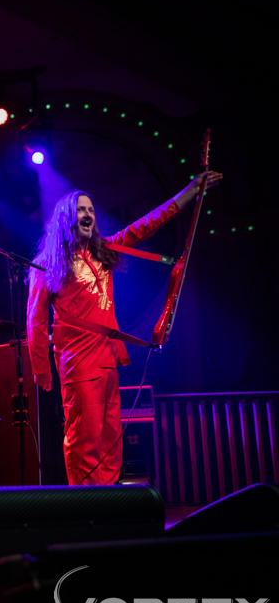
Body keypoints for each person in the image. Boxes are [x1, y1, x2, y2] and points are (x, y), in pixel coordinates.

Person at [27, 171, 222, 485]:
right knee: (84, 439)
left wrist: (190, 191)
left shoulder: (104, 252)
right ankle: (87, 504)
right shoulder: (47, 264)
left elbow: (146, 225)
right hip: (78, 363)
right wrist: (41, 368)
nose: (88, 215)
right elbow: (35, 321)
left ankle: (110, 500)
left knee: (110, 438)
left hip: (107, 359)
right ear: (66, 218)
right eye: (80, 210)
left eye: (91, 210)